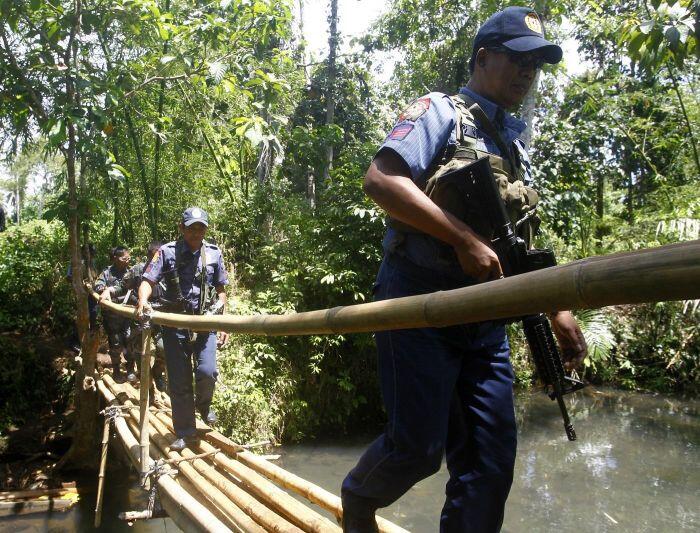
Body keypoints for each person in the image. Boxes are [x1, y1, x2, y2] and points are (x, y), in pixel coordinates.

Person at [340, 7, 589, 533]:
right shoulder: (440, 112)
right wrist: (461, 238)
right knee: (417, 449)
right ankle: (358, 498)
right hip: (419, 306)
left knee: (490, 465)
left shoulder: (514, 143)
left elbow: (517, 244)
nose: (528, 73)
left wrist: (557, 308)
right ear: (482, 59)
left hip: (486, 321)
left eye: (536, 65)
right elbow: (381, 181)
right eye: (517, 59)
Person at [135, 207, 229, 452]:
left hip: (206, 322)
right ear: (182, 228)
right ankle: (186, 432)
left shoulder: (214, 254)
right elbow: (147, 280)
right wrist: (143, 300)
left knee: (208, 371)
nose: (196, 232)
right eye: (192, 227)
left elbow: (221, 290)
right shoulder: (167, 252)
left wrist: (223, 322)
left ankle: (204, 405)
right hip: (174, 323)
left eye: (201, 227)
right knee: (179, 381)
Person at [101, 241, 167, 389]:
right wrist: (109, 290)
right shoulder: (137, 270)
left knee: (164, 347)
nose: (156, 260)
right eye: (153, 256)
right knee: (139, 351)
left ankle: (157, 372)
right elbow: (123, 286)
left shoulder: (168, 271)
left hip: (162, 315)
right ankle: (145, 380)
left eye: (159, 256)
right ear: (149, 255)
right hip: (140, 316)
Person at [94, 246, 134, 381]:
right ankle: (116, 370)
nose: (127, 261)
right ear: (116, 258)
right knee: (115, 343)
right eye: (124, 258)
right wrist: (106, 290)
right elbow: (98, 285)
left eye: (129, 258)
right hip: (112, 316)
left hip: (128, 314)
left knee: (129, 340)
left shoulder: (131, 272)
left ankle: (130, 370)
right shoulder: (107, 273)